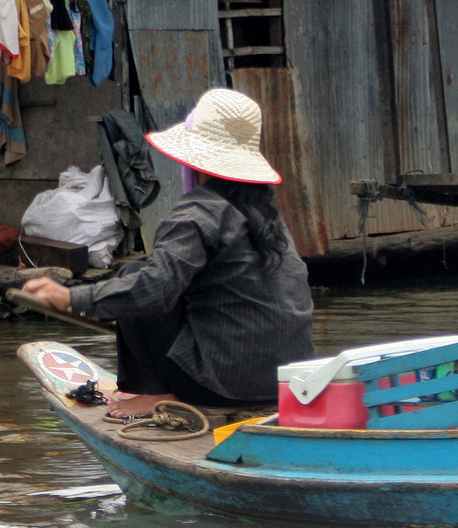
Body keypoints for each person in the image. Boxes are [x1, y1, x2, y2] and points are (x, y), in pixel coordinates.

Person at [22, 89, 314, 418]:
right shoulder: (268, 215)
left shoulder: (197, 211)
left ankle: (160, 393)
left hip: (222, 388)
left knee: (134, 276)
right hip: (289, 384)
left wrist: (72, 298)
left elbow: (155, 288)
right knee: (156, 277)